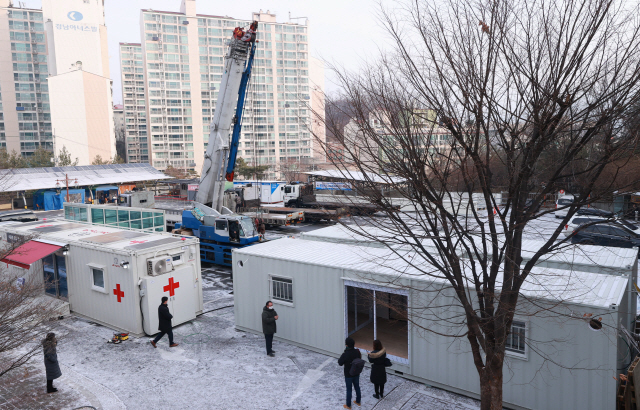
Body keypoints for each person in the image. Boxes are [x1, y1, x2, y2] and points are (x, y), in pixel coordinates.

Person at [338, 337, 362, 409]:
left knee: (349, 389)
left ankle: (348, 405)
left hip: (348, 374)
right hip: (356, 373)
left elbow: (340, 363)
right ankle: (358, 401)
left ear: (347, 345)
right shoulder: (357, 352)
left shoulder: (345, 354)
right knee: (357, 387)